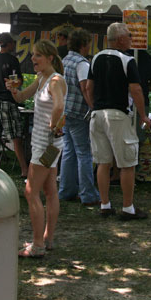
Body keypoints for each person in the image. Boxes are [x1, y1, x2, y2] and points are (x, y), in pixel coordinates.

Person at [7, 40, 66, 257]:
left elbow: (59, 105)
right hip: (47, 144)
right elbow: (22, 97)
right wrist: (14, 90)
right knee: (50, 191)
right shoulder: (42, 78)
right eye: (32, 55)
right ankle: (47, 239)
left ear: (50, 57)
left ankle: (38, 245)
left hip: (46, 145)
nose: (33, 59)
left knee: (31, 192)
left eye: (37, 56)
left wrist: (53, 125)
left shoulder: (55, 80)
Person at [86, 22, 151, 220]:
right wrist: (143, 115)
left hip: (97, 115)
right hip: (118, 115)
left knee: (103, 162)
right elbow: (136, 89)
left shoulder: (95, 58)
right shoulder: (127, 60)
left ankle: (105, 204)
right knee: (127, 163)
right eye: (130, 36)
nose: (131, 39)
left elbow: (88, 87)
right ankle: (128, 207)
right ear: (121, 39)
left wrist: (93, 106)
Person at [58, 28, 101, 205]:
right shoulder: (82, 64)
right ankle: (88, 194)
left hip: (65, 111)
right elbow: (85, 88)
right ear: (84, 44)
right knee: (84, 153)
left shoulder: (65, 60)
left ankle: (66, 191)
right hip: (79, 113)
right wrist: (93, 107)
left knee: (68, 152)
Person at [0, 32, 29, 175]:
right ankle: (24, 169)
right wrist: (11, 87)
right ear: (8, 43)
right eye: (13, 43)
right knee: (16, 136)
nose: (14, 45)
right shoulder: (12, 60)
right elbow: (17, 81)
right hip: (8, 100)